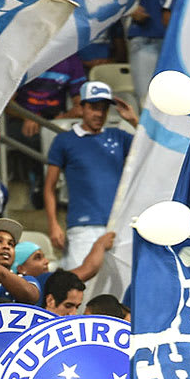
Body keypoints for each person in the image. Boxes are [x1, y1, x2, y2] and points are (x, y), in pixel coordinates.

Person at [44, 83, 137, 267]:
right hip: (83, 226)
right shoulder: (64, 140)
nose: (99, 114)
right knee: (81, 287)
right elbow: (49, 187)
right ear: (81, 107)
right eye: (94, 108)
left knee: (118, 291)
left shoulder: (118, 136)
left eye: (103, 109)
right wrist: (53, 224)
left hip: (119, 225)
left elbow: (149, 149)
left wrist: (134, 120)